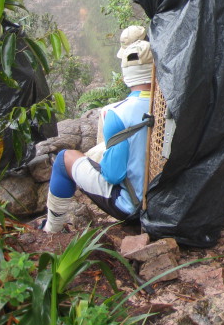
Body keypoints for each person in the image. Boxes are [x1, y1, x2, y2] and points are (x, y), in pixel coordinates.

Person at [41, 26, 153, 233]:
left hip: (133, 206)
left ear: (126, 73)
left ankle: (51, 230)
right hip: (168, 201)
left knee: (64, 159)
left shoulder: (117, 114)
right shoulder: (171, 105)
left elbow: (113, 175)